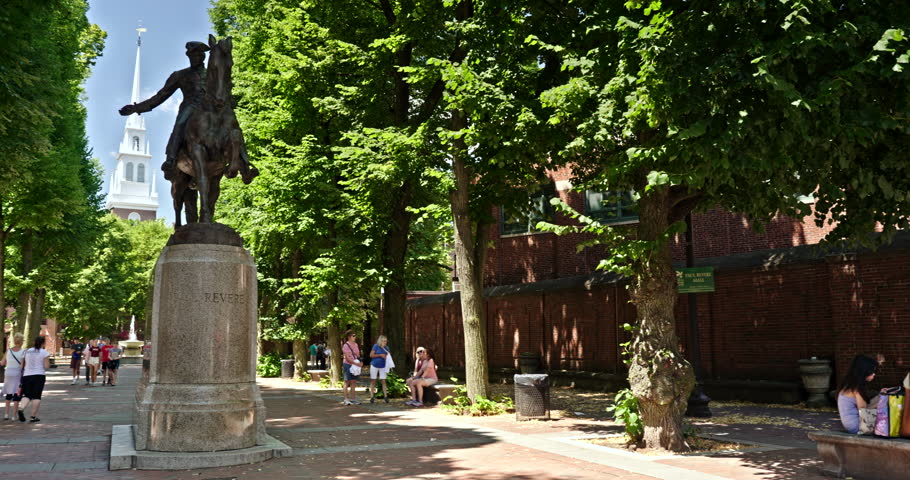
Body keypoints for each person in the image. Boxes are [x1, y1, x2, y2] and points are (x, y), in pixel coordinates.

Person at [119, 41, 210, 180]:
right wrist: (135, 108)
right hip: (191, 106)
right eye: (192, 55)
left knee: (229, 121)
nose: (195, 58)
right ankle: (171, 159)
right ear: (189, 56)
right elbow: (160, 96)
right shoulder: (180, 75)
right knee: (180, 124)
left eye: (198, 55)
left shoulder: (212, 74)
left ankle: (240, 158)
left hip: (211, 107)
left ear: (203, 56)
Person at [837, 354, 883, 434]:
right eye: (872, 372)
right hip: (857, 426)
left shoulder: (848, 385)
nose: (874, 374)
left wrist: (881, 395)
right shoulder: (856, 388)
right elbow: (864, 411)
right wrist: (883, 398)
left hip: (851, 425)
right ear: (863, 371)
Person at [18, 336, 50, 423]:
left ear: (34, 342)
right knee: (36, 396)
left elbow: (21, 365)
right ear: (43, 343)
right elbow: (46, 366)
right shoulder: (44, 352)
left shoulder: (26, 351)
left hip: (27, 375)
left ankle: (21, 409)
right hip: (39, 375)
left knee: (27, 395)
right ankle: (33, 416)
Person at [1, 333, 25, 420]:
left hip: (8, 373)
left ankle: (6, 414)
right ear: (21, 341)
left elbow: (2, 363)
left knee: (8, 393)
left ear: (14, 341)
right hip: (17, 374)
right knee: (16, 394)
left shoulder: (8, 351)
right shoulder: (23, 352)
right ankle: (14, 416)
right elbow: (22, 366)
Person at [341, 331, 363, 405]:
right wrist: (355, 363)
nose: (355, 337)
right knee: (347, 381)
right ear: (349, 337)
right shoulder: (346, 345)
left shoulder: (356, 345)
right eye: (353, 336)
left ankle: (353, 399)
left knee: (354, 381)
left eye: (355, 335)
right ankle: (346, 399)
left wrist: (360, 362)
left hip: (355, 365)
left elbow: (358, 355)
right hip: (348, 364)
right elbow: (347, 358)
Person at [368, 335, 391, 404]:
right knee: (373, 380)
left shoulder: (387, 348)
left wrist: (387, 356)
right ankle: (372, 397)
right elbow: (371, 355)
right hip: (374, 365)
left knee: (383, 381)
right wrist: (380, 355)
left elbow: (389, 357)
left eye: (386, 341)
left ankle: (385, 396)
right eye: (384, 341)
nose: (385, 342)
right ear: (380, 341)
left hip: (383, 366)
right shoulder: (376, 346)